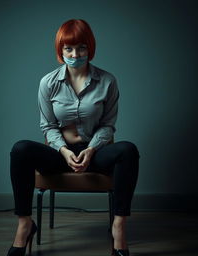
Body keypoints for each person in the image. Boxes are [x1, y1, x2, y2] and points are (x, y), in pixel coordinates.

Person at [7, 19, 140, 256]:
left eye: (81, 48)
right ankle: (25, 224)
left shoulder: (108, 81)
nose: (75, 54)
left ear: (90, 49)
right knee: (20, 149)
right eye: (68, 48)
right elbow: (48, 126)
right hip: (60, 155)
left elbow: (108, 126)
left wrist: (91, 150)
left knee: (128, 150)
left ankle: (118, 227)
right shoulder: (47, 83)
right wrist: (64, 151)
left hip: (95, 153)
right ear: (60, 50)